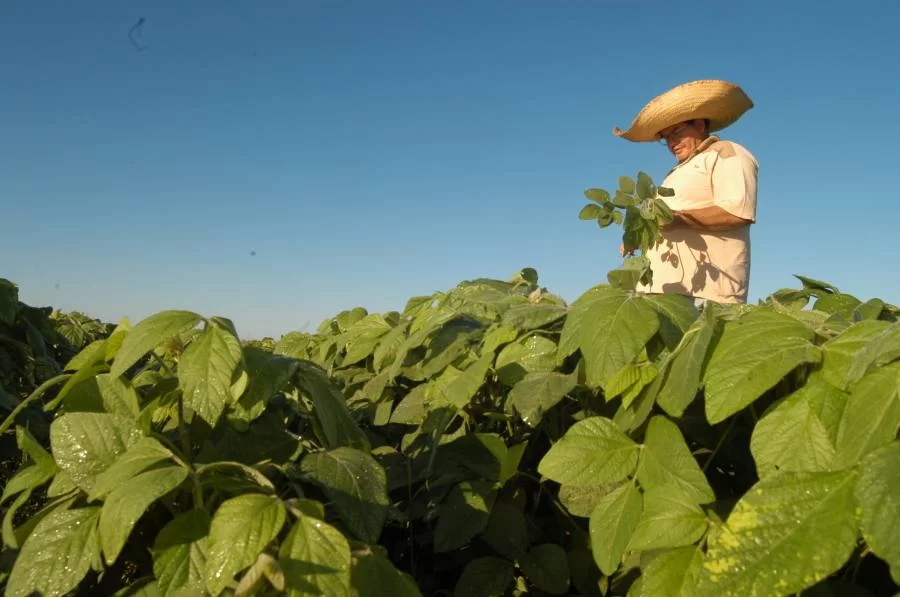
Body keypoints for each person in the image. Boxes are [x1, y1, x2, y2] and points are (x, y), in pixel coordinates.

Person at [613, 80, 759, 304]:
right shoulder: (675, 173)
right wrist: (639, 236)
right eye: (666, 137)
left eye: (677, 132)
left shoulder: (726, 153)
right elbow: (663, 224)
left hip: (707, 292)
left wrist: (679, 219)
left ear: (700, 125)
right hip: (660, 288)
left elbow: (737, 213)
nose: (672, 142)